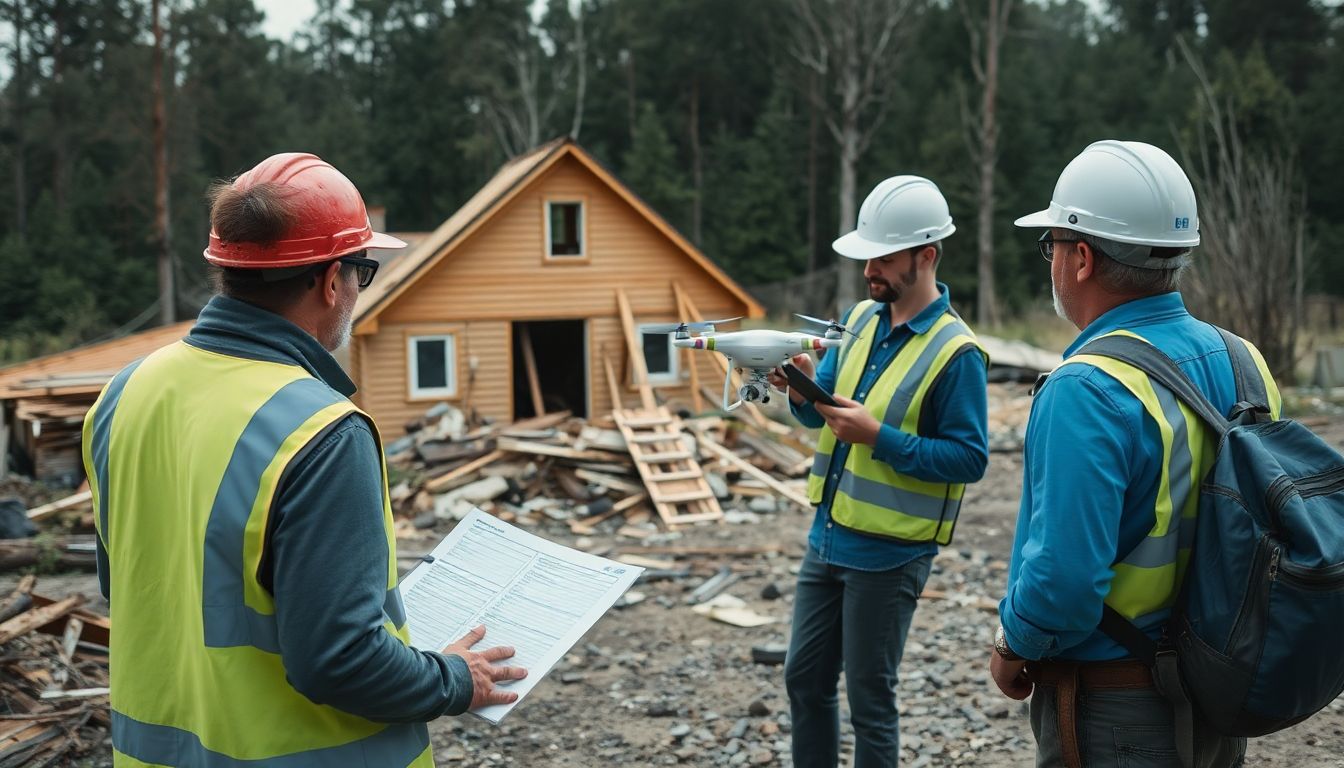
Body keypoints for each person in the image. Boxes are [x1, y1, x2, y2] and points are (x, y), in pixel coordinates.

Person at [82, 153, 526, 767]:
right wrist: (453, 679)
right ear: (330, 280)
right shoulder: (320, 432)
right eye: (361, 272)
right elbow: (340, 660)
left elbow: (129, 583)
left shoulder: (124, 393)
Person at [989, 140, 1280, 767]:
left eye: (1053, 245)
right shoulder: (1245, 362)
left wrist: (1012, 643)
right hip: (1222, 692)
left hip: (1119, 711)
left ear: (1082, 258)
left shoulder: (1084, 389)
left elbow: (1064, 583)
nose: (1053, 262)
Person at [769, 175, 990, 767]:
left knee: (870, 700)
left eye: (884, 258)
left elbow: (970, 459)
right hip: (829, 536)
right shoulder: (861, 320)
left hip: (891, 554)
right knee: (804, 681)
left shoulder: (956, 352)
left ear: (927, 256)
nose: (871, 270)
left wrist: (879, 438)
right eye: (867, 256)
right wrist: (795, 385)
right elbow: (822, 415)